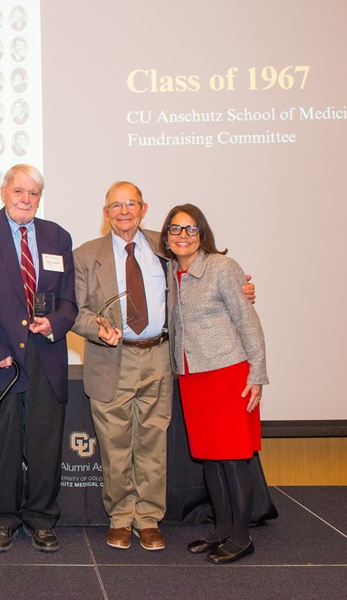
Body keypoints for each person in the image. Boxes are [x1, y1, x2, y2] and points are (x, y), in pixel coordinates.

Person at [71, 182, 255, 553]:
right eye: (116, 205)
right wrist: (97, 328)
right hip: (111, 358)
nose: (124, 211)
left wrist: (243, 289)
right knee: (115, 445)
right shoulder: (85, 255)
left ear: (144, 208)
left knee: (154, 443)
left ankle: (149, 519)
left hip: (159, 355)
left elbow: (208, 272)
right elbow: (74, 311)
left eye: (131, 204)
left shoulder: (167, 245)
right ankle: (121, 518)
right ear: (105, 212)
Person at [0, 164, 77, 553]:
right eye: (19, 191)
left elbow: (70, 301)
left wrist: (54, 321)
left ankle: (41, 518)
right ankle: (4, 519)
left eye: (33, 193)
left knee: (43, 443)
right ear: (4, 191)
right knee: (2, 444)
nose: (26, 199)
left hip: (45, 355)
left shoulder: (58, 236)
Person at [159, 204, 267, 564]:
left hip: (228, 373)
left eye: (191, 229)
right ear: (166, 237)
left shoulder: (222, 267)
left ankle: (241, 537)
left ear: (202, 234)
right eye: (175, 230)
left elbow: (247, 320)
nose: (183, 236)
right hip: (192, 376)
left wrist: (257, 373)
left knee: (233, 458)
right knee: (210, 458)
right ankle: (222, 529)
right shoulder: (172, 271)